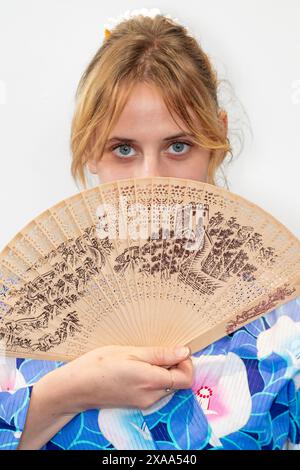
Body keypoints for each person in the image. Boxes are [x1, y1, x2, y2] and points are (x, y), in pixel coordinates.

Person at [0, 10, 299, 451]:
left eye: (178, 146)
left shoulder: (281, 309)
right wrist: (65, 394)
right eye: (123, 149)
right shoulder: (22, 305)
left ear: (218, 137)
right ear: (89, 153)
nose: (150, 180)